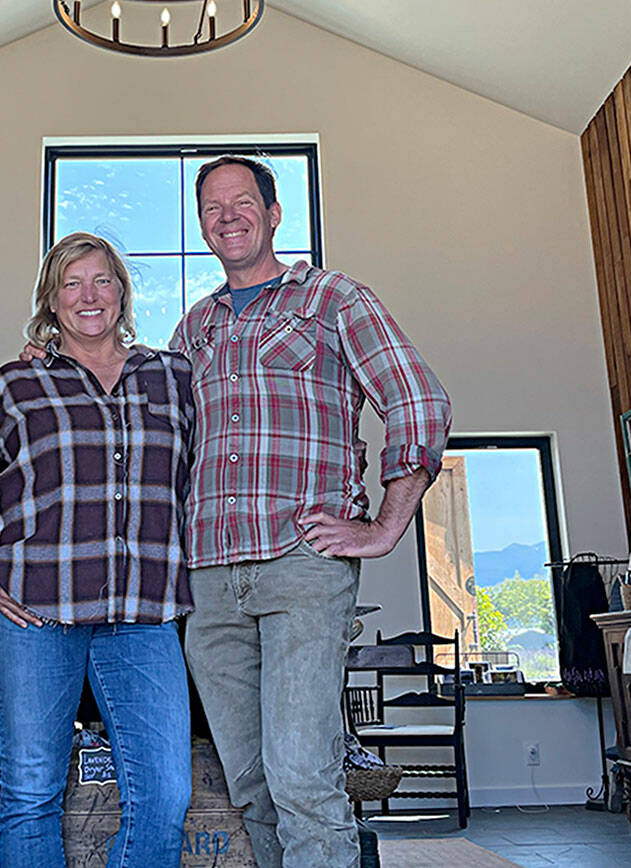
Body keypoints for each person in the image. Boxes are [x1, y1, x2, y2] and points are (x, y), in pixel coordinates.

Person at [169, 155, 451, 868]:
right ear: (201, 224)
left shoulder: (332, 299)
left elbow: (417, 400)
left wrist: (386, 526)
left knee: (302, 776)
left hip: (301, 566)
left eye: (241, 202)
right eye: (211, 207)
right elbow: (149, 431)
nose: (226, 216)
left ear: (273, 214)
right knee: (252, 786)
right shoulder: (193, 329)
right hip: (206, 577)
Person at [0, 231, 195, 867]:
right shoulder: (16, 385)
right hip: (32, 612)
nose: (89, 295)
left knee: (165, 792)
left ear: (122, 293)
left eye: (102, 280)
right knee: (31, 792)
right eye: (71, 284)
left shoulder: (171, 378)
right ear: (51, 303)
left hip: (144, 616)